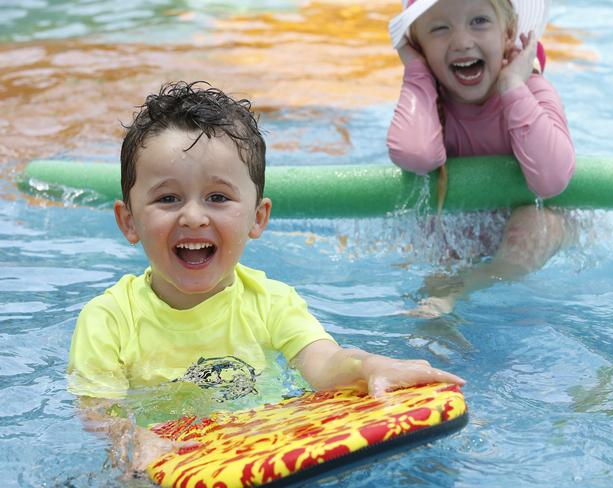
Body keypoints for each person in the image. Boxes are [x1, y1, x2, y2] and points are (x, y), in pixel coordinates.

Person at [67, 81, 465, 475]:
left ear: (258, 218)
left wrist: (369, 366)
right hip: (162, 463)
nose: (193, 216)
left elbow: (324, 363)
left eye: (218, 197)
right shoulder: (108, 319)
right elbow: (98, 411)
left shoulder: (271, 301)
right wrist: (129, 436)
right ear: (128, 220)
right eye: (167, 198)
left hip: (260, 457)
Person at [387, 0, 576, 316]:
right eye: (440, 28)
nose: (461, 42)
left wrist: (512, 85)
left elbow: (551, 179)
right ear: (418, 46)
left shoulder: (532, 89)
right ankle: (444, 307)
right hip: (465, 238)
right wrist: (416, 71)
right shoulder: (428, 101)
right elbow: (415, 154)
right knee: (437, 260)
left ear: (508, 33)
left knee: (536, 223)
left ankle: (462, 289)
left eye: (479, 21)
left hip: (533, 233)